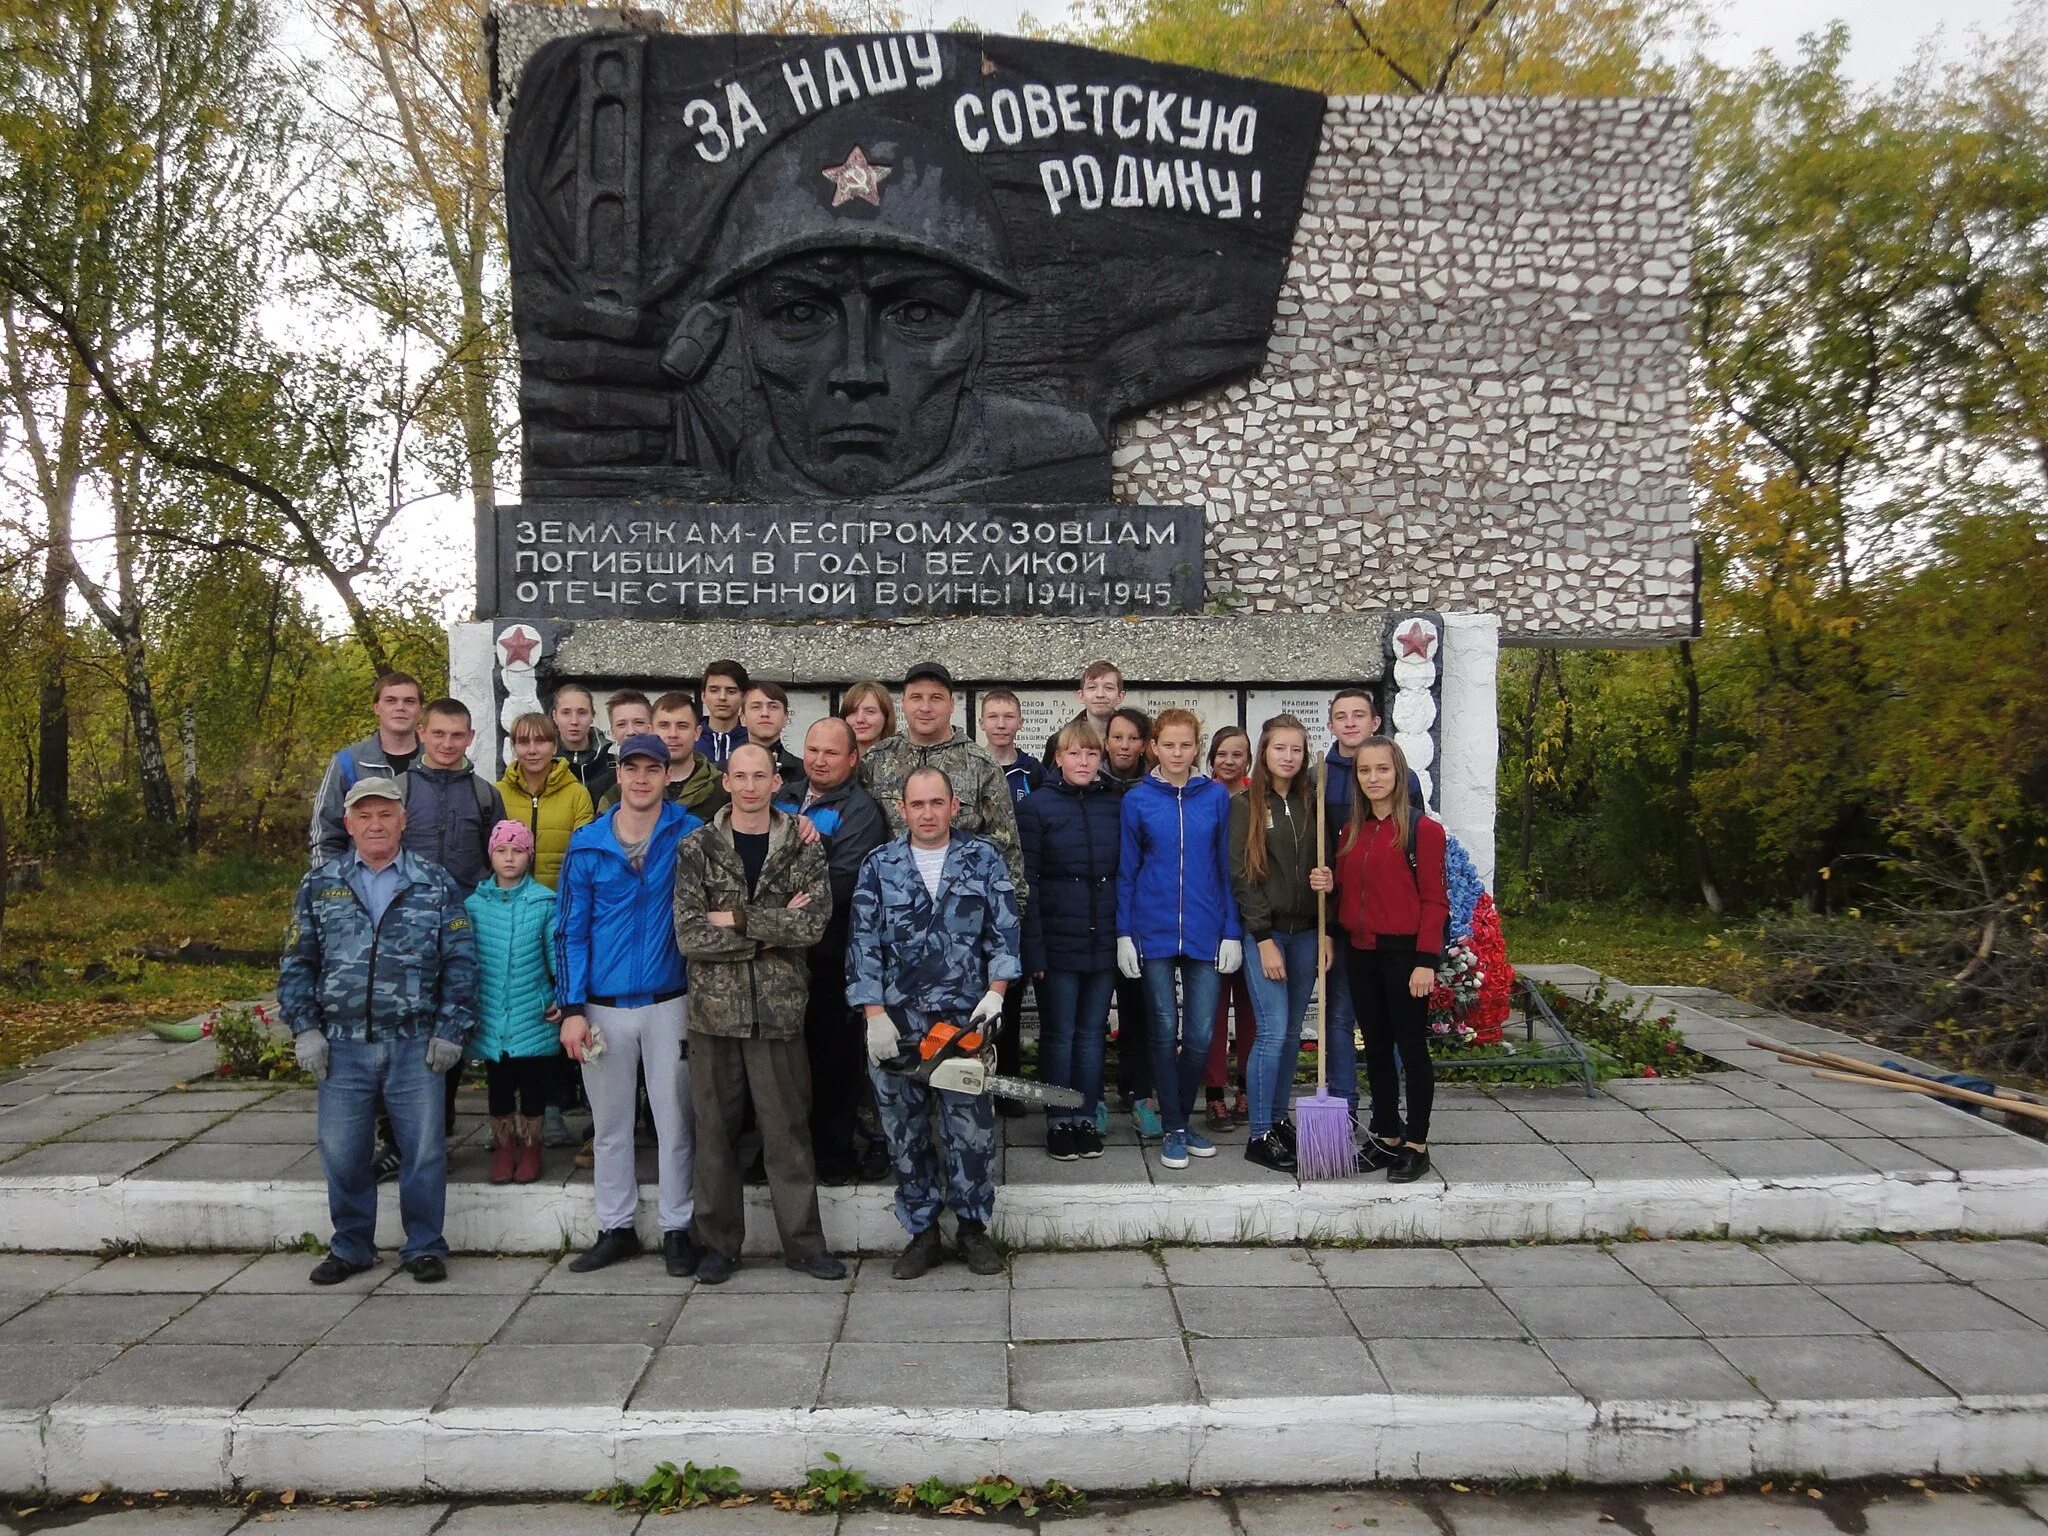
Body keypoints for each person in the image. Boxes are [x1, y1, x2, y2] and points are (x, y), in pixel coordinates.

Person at [280, 776, 475, 1286]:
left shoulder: (434, 882)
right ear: (348, 824)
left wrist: (451, 1029)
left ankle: (425, 1246)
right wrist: (305, 1030)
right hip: (342, 1047)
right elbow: (297, 962)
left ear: (403, 820)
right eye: (364, 816)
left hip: (415, 1044)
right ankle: (351, 1246)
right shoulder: (320, 884)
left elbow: (460, 962)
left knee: (425, 1153)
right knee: (343, 1153)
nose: (375, 824)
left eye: (385, 814)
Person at [672, 744, 842, 1283]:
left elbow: (812, 925)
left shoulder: (800, 843)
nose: (749, 786)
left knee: (787, 1132)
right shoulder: (696, 847)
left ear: (776, 782)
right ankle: (719, 1246)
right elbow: (690, 934)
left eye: (759, 776)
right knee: (715, 1134)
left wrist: (735, 919)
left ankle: (804, 1245)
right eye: (739, 776)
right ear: (726, 782)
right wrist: (768, 929)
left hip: (779, 1010)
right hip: (713, 1014)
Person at [847, 767, 1020, 1279]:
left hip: (964, 1021)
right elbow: (862, 942)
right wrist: (873, 1014)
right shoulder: (880, 864)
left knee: (970, 1129)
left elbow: (1005, 929)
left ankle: (972, 1229)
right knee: (904, 1129)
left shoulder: (982, 858)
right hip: (898, 1023)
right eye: (917, 804)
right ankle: (922, 1232)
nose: (927, 813)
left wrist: (996, 992)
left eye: (936, 803)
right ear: (902, 809)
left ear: (954, 808)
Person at [553, 733, 703, 1275]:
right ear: (618, 775)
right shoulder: (588, 844)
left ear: (668, 775)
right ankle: (615, 1227)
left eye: (653, 769)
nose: (642, 779)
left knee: (674, 1121)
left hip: (671, 1001)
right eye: (632, 768)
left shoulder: (690, 833)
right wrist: (571, 1009)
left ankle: (677, 1227)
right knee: (611, 1125)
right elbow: (568, 929)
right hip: (603, 1007)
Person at [1312, 735, 1449, 1185]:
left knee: (1409, 1048)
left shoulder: (1421, 831)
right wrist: (1328, 894)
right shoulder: (1351, 831)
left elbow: (1435, 901)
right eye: (1365, 771)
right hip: (1361, 951)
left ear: (1399, 774)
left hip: (1405, 954)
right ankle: (1387, 1134)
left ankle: (1417, 1143)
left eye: (1382, 770)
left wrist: (1426, 960)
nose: (1373, 778)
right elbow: (1348, 895)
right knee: (1374, 1048)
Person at [1117, 708, 1242, 1171]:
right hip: (1151, 931)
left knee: (1201, 1033)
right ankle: (1173, 1126)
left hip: (1206, 930)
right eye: (1168, 744)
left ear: (1196, 747)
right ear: (1154, 746)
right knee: (1163, 1029)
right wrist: (1123, 933)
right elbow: (1127, 870)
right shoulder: (1137, 800)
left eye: (1185, 745)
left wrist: (1231, 930)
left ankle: (1183, 1120)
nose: (1176, 753)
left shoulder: (1215, 798)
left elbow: (1227, 867)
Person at [1016, 720, 1119, 1161]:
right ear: (1057, 758)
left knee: (1092, 1035)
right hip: (1057, 942)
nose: (1083, 761)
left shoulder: (1116, 804)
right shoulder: (1036, 807)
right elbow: (1027, 883)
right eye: (1074, 753)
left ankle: (1085, 1115)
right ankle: (1058, 1121)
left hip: (1105, 938)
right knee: (1059, 1035)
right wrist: (1033, 947)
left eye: (1091, 754)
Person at [795, 716, 891, 1184]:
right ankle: (790, 1151)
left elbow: (841, 879)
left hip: (831, 956)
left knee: (832, 1057)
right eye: (813, 749)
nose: (819, 759)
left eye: (831, 752)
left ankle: (834, 1151)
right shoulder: (783, 795)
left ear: (852, 759)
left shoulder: (860, 810)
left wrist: (772, 906)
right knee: (789, 1062)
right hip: (779, 961)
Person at [1229, 715, 1322, 1173]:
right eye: (1279, 748)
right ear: (1264, 752)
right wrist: (1263, 938)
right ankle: (1259, 1132)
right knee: (1271, 1030)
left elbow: (1328, 862)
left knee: (1290, 1035)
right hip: (1267, 934)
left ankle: (1280, 1117)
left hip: (1308, 931)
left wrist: (1329, 884)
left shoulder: (1313, 802)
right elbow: (1245, 878)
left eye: (1297, 749)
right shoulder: (1246, 805)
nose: (1288, 757)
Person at [862, 662, 1025, 900]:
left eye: (936, 698)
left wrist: (1009, 916)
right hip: (893, 909)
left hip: (962, 910)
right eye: (916, 697)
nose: (925, 707)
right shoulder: (875, 761)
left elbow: (1006, 849)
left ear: (951, 704)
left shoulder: (981, 765)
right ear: (903, 703)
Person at [465, 820, 561, 1185]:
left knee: (533, 1085)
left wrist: (563, 998)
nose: (509, 858)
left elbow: (556, 955)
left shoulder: (543, 903)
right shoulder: (474, 905)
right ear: (490, 855)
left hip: (532, 1013)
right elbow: (466, 960)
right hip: (491, 1013)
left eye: (517, 850)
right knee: (498, 1084)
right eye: (501, 851)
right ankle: (505, 1148)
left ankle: (532, 1147)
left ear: (529, 855)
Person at [978, 686, 1040, 1115]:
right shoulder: (972, 768)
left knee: (1011, 993)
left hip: (1020, 890)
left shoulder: (1034, 773)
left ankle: (1009, 1086)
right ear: (981, 722)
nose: (1001, 724)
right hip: (977, 893)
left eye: (1008, 716)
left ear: (1020, 722)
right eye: (993, 716)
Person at [1101, 706, 1157, 1137]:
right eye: (1116, 737)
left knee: (1140, 1010)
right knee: (1093, 1012)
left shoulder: (1155, 788)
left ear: (1145, 744)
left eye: (1132, 738)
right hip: (1096, 911)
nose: (1124, 745)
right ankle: (1090, 1096)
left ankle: (1139, 1092)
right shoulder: (1091, 781)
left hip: (1142, 913)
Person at [310, 671, 423, 864]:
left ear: (421, 709)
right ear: (376, 708)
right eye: (391, 701)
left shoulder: (436, 762)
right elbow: (325, 836)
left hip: (426, 887)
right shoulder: (347, 763)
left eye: (409, 701)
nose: (400, 708)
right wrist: (333, 884)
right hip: (361, 885)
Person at [1202, 724, 1255, 1130]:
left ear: (1249, 759)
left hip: (1255, 918)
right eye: (1222, 753)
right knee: (1213, 1011)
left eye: (1238, 754)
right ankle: (1214, 1093)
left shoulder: (1261, 798)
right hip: (1213, 917)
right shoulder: (1204, 796)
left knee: (1253, 1010)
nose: (1229, 761)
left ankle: (1248, 1090)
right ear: (1211, 756)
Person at [498, 712, 595, 889]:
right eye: (524, 742)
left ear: (555, 745)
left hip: (558, 901)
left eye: (541, 741)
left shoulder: (577, 794)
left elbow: (584, 857)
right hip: (507, 904)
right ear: (514, 746)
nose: (532, 750)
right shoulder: (497, 793)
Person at [649, 691, 728, 818]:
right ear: (650, 732)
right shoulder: (632, 788)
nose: (673, 734)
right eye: (664, 725)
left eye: (682, 726)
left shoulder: (722, 790)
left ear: (697, 733)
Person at [1042, 659, 1125, 767]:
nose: (1100, 694)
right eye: (1092, 687)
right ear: (1081, 696)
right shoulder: (1059, 740)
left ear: (1120, 696)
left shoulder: (1135, 737)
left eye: (1108, 688)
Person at [552, 684, 615, 806]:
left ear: (592, 716)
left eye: (582, 713)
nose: (574, 721)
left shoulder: (611, 760)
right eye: (566, 713)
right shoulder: (543, 762)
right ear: (555, 716)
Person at [743, 682, 809, 799]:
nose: (765, 714)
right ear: (742, 718)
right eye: (756, 707)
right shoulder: (723, 770)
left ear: (785, 718)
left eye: (773, 707)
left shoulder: (804, 773)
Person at [697, 661, 748, 764]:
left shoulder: (752, 740)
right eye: (714, 690)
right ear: (703, 696)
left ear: (744, 697)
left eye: (731, 691)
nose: (722, 697)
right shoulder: (690, 738)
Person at [839, 681, 896, 752]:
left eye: (870, 712)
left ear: (886, 717)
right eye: (852, 712)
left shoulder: (904, 760)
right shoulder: (828, 761)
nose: (860, 719)